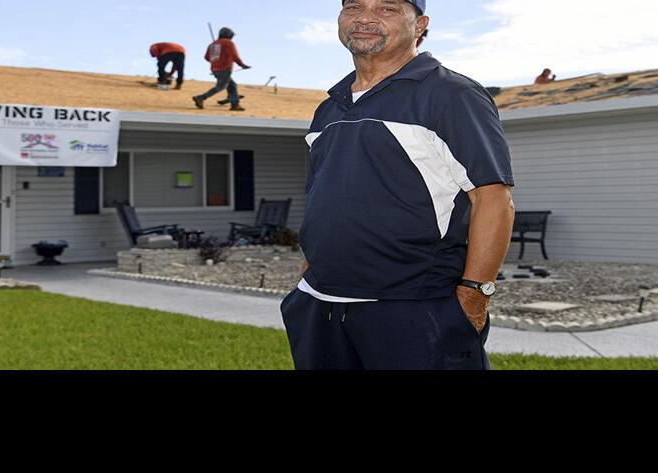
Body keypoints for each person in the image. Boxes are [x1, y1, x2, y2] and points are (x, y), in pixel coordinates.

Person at [280, 0, 516, 370]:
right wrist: (306, 277)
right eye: (354, 7)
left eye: (387, 9)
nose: (365, 18)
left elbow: (493, 198)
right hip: (318, 306)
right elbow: (322, 198)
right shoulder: (329, 108)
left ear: (420, 25)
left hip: (414, 308)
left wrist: (475, 294)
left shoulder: (453, 95)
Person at [192, 27, 251, 112]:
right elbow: (235, 56)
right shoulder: (228, 43)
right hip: (225, 69)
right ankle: (201, 97)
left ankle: (235, 105)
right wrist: (242, 65)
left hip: (215, 70)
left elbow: (207, 57)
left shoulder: (213, 44)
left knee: (232, 85)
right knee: (221, 87)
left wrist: (216, 62)